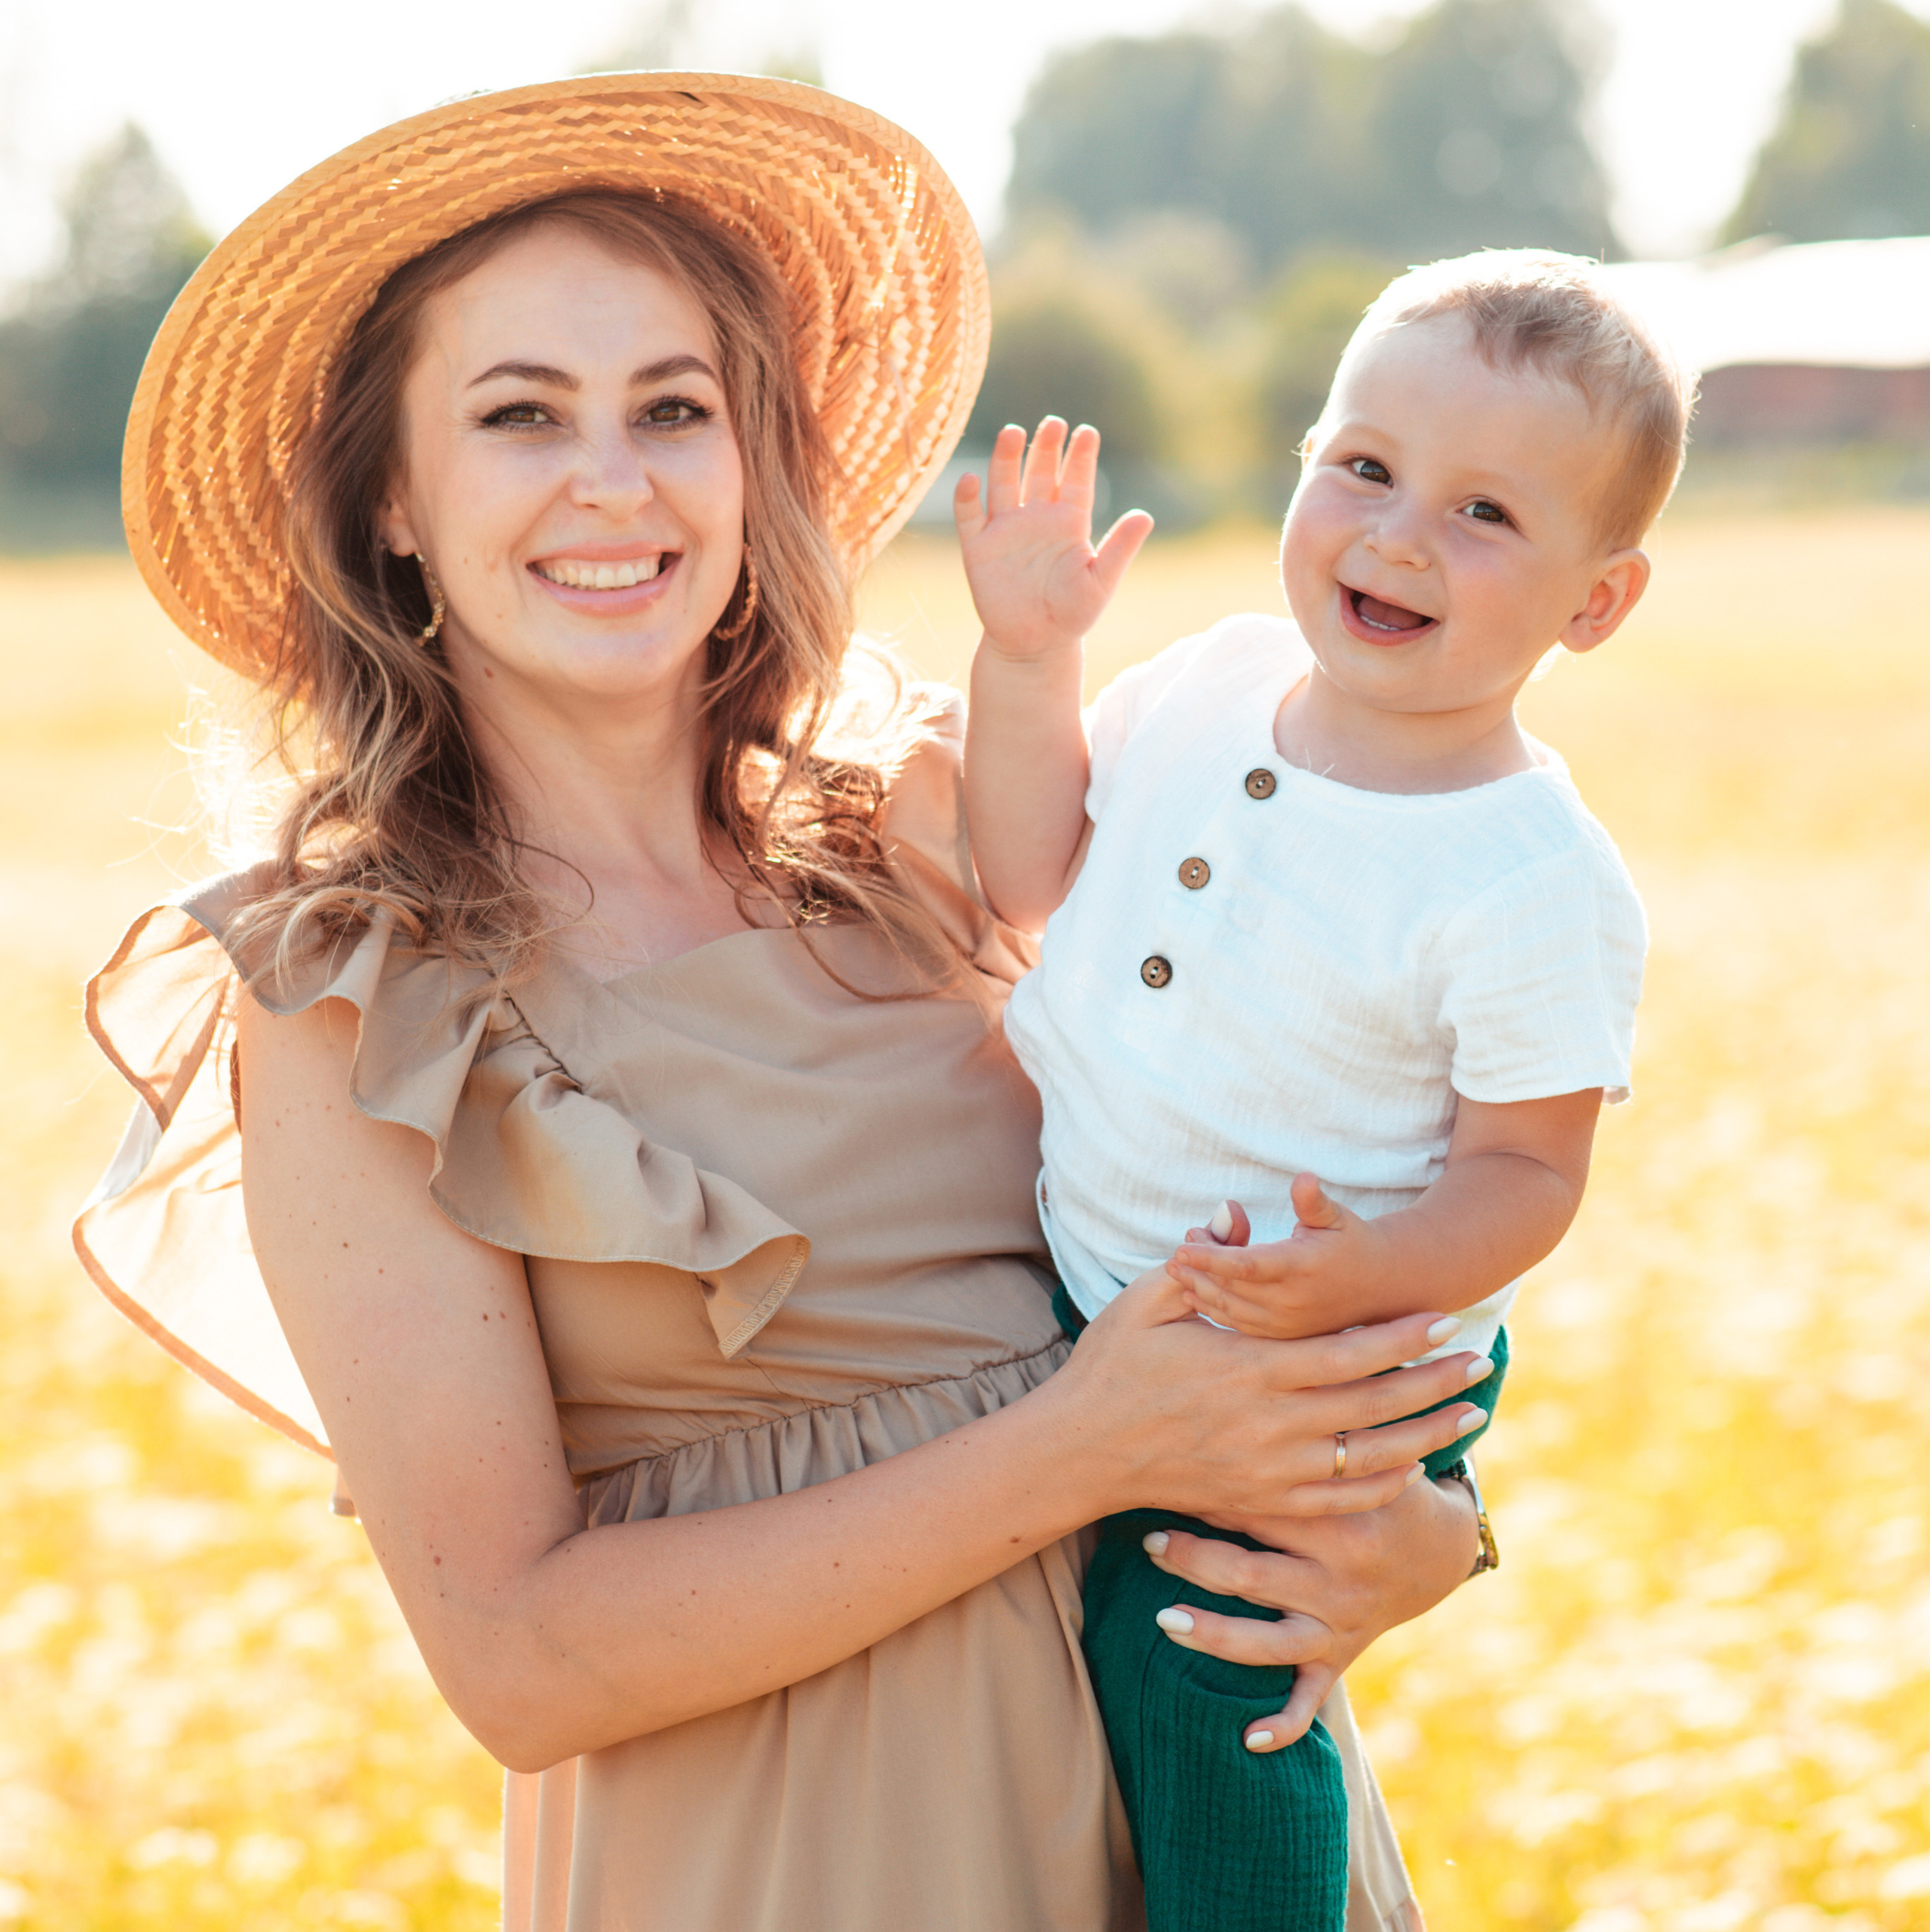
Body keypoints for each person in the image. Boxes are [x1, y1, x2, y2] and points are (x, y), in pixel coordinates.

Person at [74, 75, 1492, 1932]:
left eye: (675, 408)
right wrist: (1087, 1442)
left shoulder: (927, 835)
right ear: (397, 506)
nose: (615, 479)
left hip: (1193, 1833)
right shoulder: (358, 1002)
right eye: (520, 417)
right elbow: (514, 1655)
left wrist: (1423, 1532)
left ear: (748, 467)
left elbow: (1293, 1182)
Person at [957, 251, 1688, 1932]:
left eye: (1484, 513)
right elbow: (1023, 870)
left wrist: (1349, 1278)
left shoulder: (1523, 874)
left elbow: (1524, 1178)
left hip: (1322, 1350)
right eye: (1360, 466)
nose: (1397, 533)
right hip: (1108, 1286)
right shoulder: (1209, 683)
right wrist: (1025, 661)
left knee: (1210, 1655)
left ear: (1594, 600)